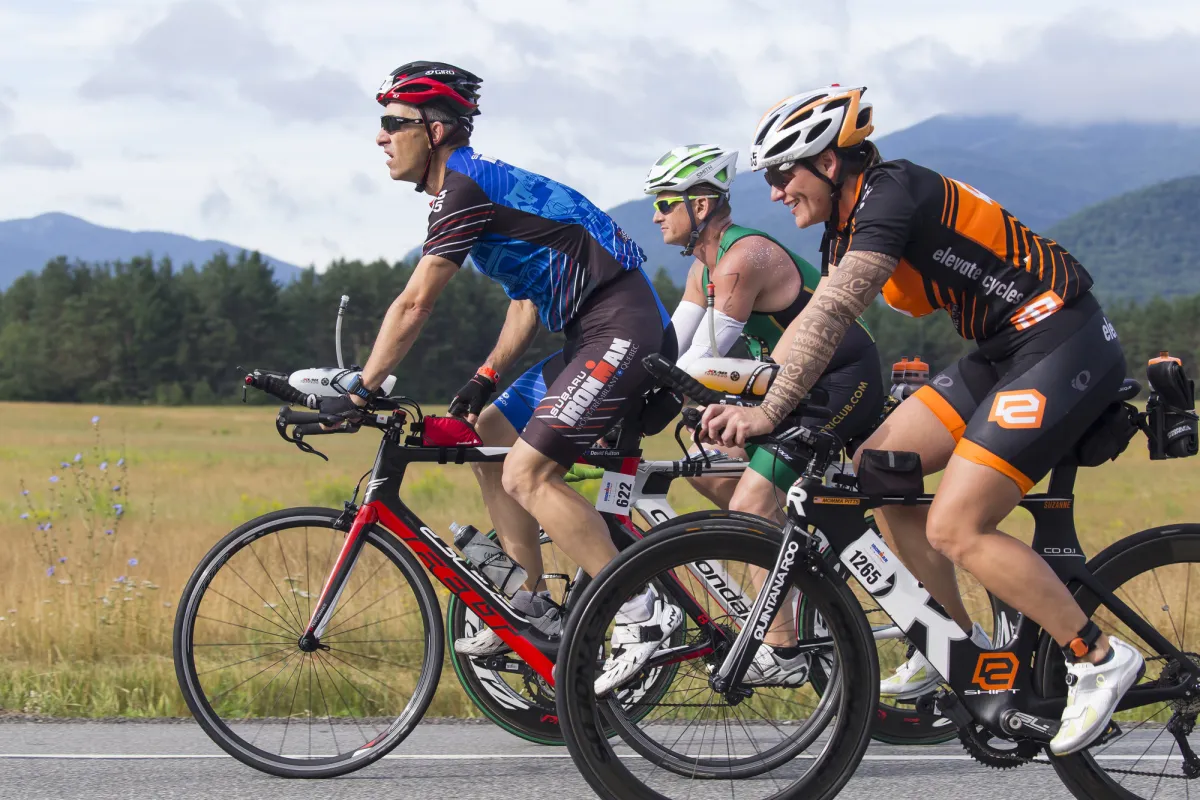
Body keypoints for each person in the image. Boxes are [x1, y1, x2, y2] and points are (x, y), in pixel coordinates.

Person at [697, 85, 1143, 755]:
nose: (776, 192)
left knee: (955, 525)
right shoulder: (843, 226)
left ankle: (1097, 655)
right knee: (878, 468)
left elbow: (835, 311)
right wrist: (753, 397)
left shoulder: (890, 195)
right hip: (1002, 350)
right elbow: (809, 330)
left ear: (829, 162)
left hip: (1061, 339)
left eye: (783, 174)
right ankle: (954, 647)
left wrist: (767, 409)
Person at [322, 61, 682, 686]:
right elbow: (525, 300)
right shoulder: (471, 185)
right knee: (490, 435)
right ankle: (531, 602)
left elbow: (415, 303)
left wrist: (362, 389)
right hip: (593, 331)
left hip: (622, 325)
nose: (381, 136)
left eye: (394, 123)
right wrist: (485, 378)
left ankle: (641, 612)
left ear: (434, 131)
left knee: (527, 472)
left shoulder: (463, 187)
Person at [643, 143, 886, 686]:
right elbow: (670, 349)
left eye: (663, 202)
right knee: (708, 466)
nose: (656, 215)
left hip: (840, 379)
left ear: (700, 205)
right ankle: (795, 570)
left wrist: (660, 393)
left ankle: (781, 650)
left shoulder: (742, 258)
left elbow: (700, 360)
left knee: (751, 501)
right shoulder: (703, 270)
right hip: (789, 384)